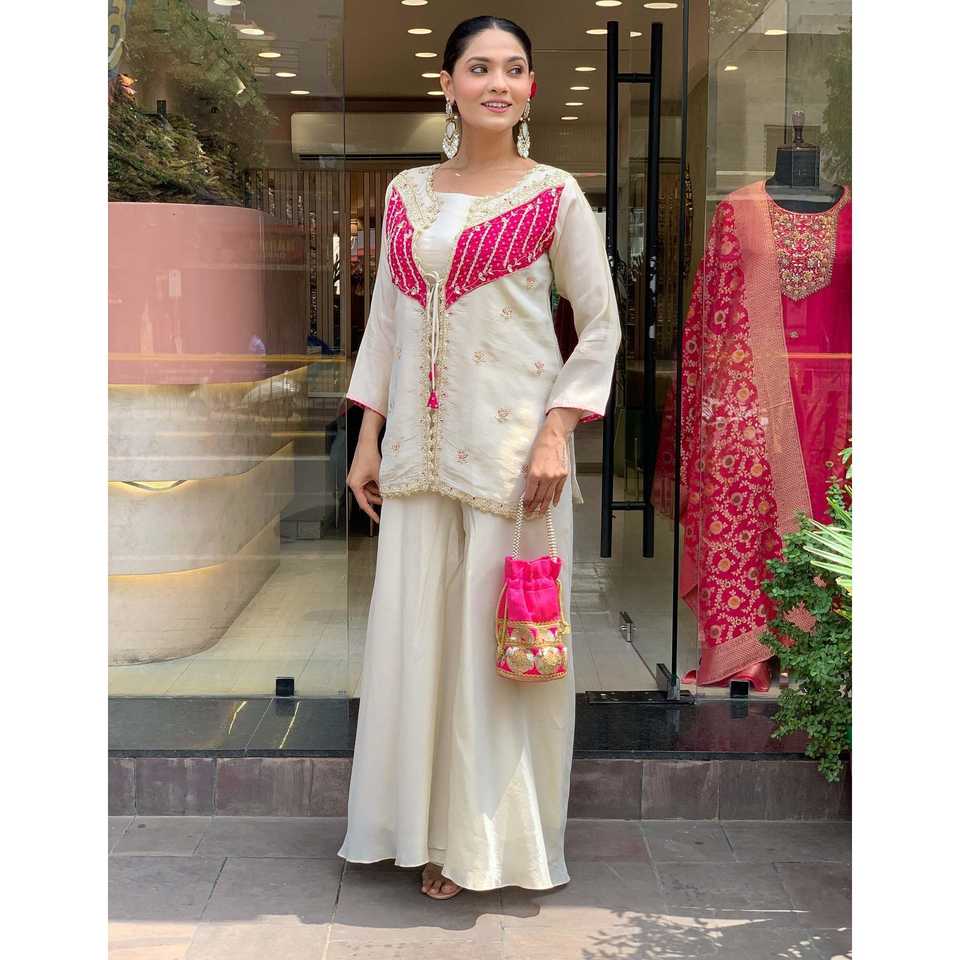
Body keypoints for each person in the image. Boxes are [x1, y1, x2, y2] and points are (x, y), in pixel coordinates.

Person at [336, 15, 622, 899]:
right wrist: (368, 437)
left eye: (515, 69)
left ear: (531, 89)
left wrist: (556, 434)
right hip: (418, 462)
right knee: (417, 643)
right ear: (449, 85)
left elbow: (600, 325)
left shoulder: (555, 195)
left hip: (515, 465)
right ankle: (421, 832)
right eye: (480, 67)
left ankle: (484, 846)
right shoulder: (406, 194)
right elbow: (386, 322)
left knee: (498, 658)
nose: (498, 82)